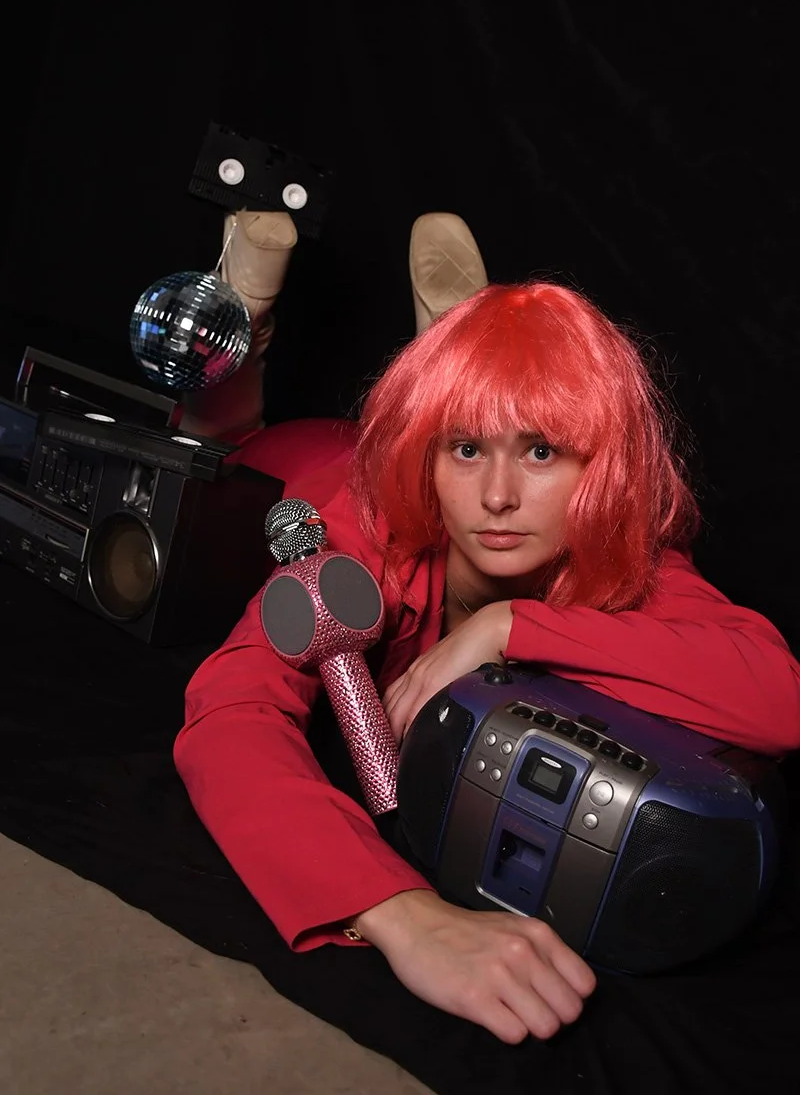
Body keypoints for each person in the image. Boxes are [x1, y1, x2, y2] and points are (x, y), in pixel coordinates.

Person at [174, 258, 800, 1047]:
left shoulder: (625, 557)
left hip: (402, 467)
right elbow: (229, 711)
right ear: (428, 462)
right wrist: (404, 916)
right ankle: (246, 326)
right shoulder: (363, 528)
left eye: (541, 452)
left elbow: (781, 698)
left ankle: (456, 360)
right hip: (295, 463)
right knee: (211, 444)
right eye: (466, 449)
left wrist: (511, 625)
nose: (499, 497)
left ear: (603, 466)